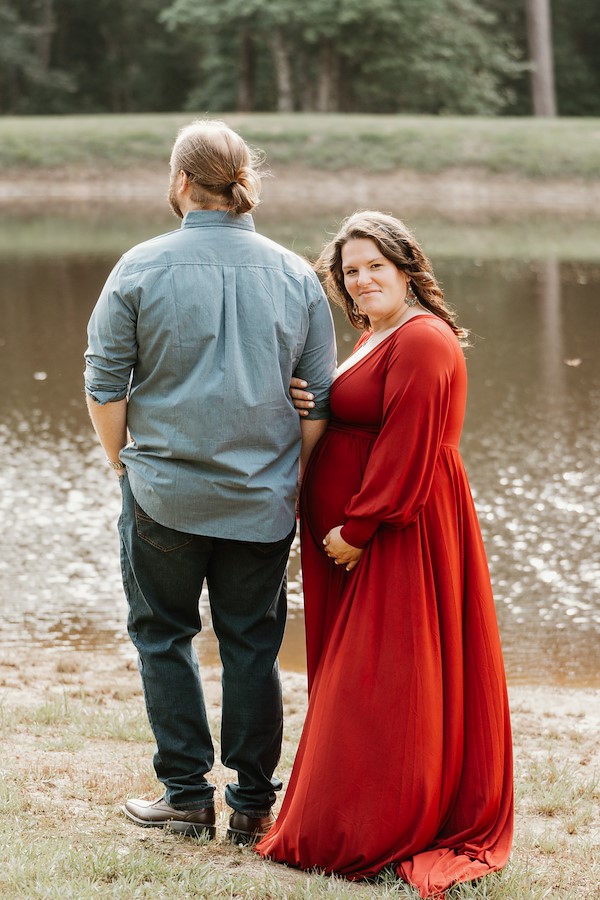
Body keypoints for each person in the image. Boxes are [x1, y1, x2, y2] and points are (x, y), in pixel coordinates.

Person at [84, 120, 336, 844]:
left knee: (164, 636)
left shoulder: (138, 266)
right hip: (262, 500)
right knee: (252, 644)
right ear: (242, 184)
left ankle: (187, 798)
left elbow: (105, 385)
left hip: (163, 491)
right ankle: (255, 803)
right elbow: (316, 397)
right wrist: (292, 478)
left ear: (181, 182)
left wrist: (121, 463)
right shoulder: (295, 274)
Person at [257, 211, 514, 897]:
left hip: (401, 533)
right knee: (370, 673)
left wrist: (360, 527)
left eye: (375, 266)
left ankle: (370, 824)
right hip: (366, 532)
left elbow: (411, 444)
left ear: (406, 266)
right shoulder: (378, 334)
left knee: (385, 679)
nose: (362, 280)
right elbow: (364, 414)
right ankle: (358, 809)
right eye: (350, 272)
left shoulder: (424, 339)